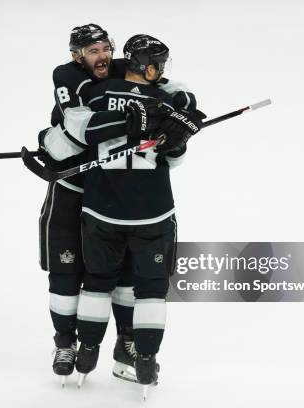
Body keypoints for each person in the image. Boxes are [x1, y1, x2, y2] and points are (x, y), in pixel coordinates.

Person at [38, 24, 198, 385]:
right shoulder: (71, 79)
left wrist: (185, 115)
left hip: (103, 199)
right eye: (92, 51)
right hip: (75, 190)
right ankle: (68, 343)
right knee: (67, 274)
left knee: (112, 276)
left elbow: (175, 91)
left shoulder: (118, 78)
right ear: (76, 55)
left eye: (105, 49)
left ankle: (121, 345)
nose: (102, 57)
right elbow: (79, 131)